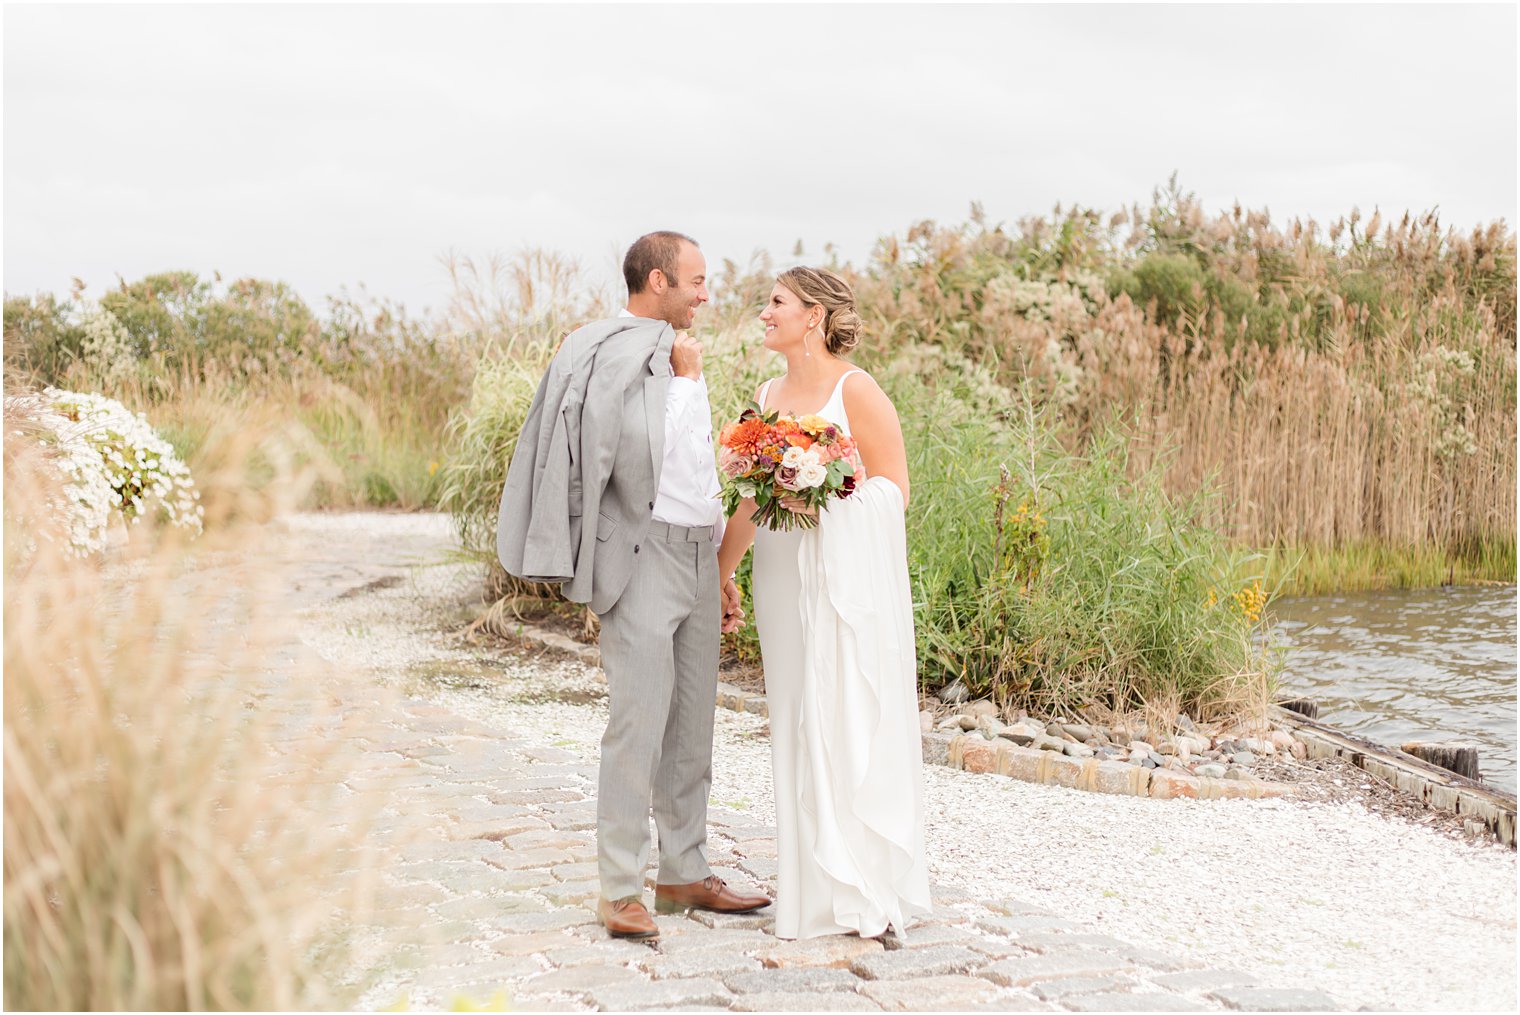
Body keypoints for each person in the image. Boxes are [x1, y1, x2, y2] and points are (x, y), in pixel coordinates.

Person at [497, 231, 769, 940]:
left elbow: (693, 469)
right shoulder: (610, 349)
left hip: (693, 556)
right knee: (637, 725)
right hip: (642, 556)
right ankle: (620, 887)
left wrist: (718, 562)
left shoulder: (683, 355)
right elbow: (627, 454)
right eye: (697, 281)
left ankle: (683, 870)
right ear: (656, 281)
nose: (706, 294)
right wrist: (683, 383)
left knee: (692, 726)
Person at [716, 266, 933, 941]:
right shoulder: (766, 393)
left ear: (813, 314)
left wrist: (829, 496)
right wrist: (721, 573)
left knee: (840, 710)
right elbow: (752, 498)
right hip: (783, 572)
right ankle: (808, 890)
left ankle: (863, 887)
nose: (763, 313)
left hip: (842, 581)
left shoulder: (856, 389)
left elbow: (895, 488)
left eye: (776, 303)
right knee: (794, 716)